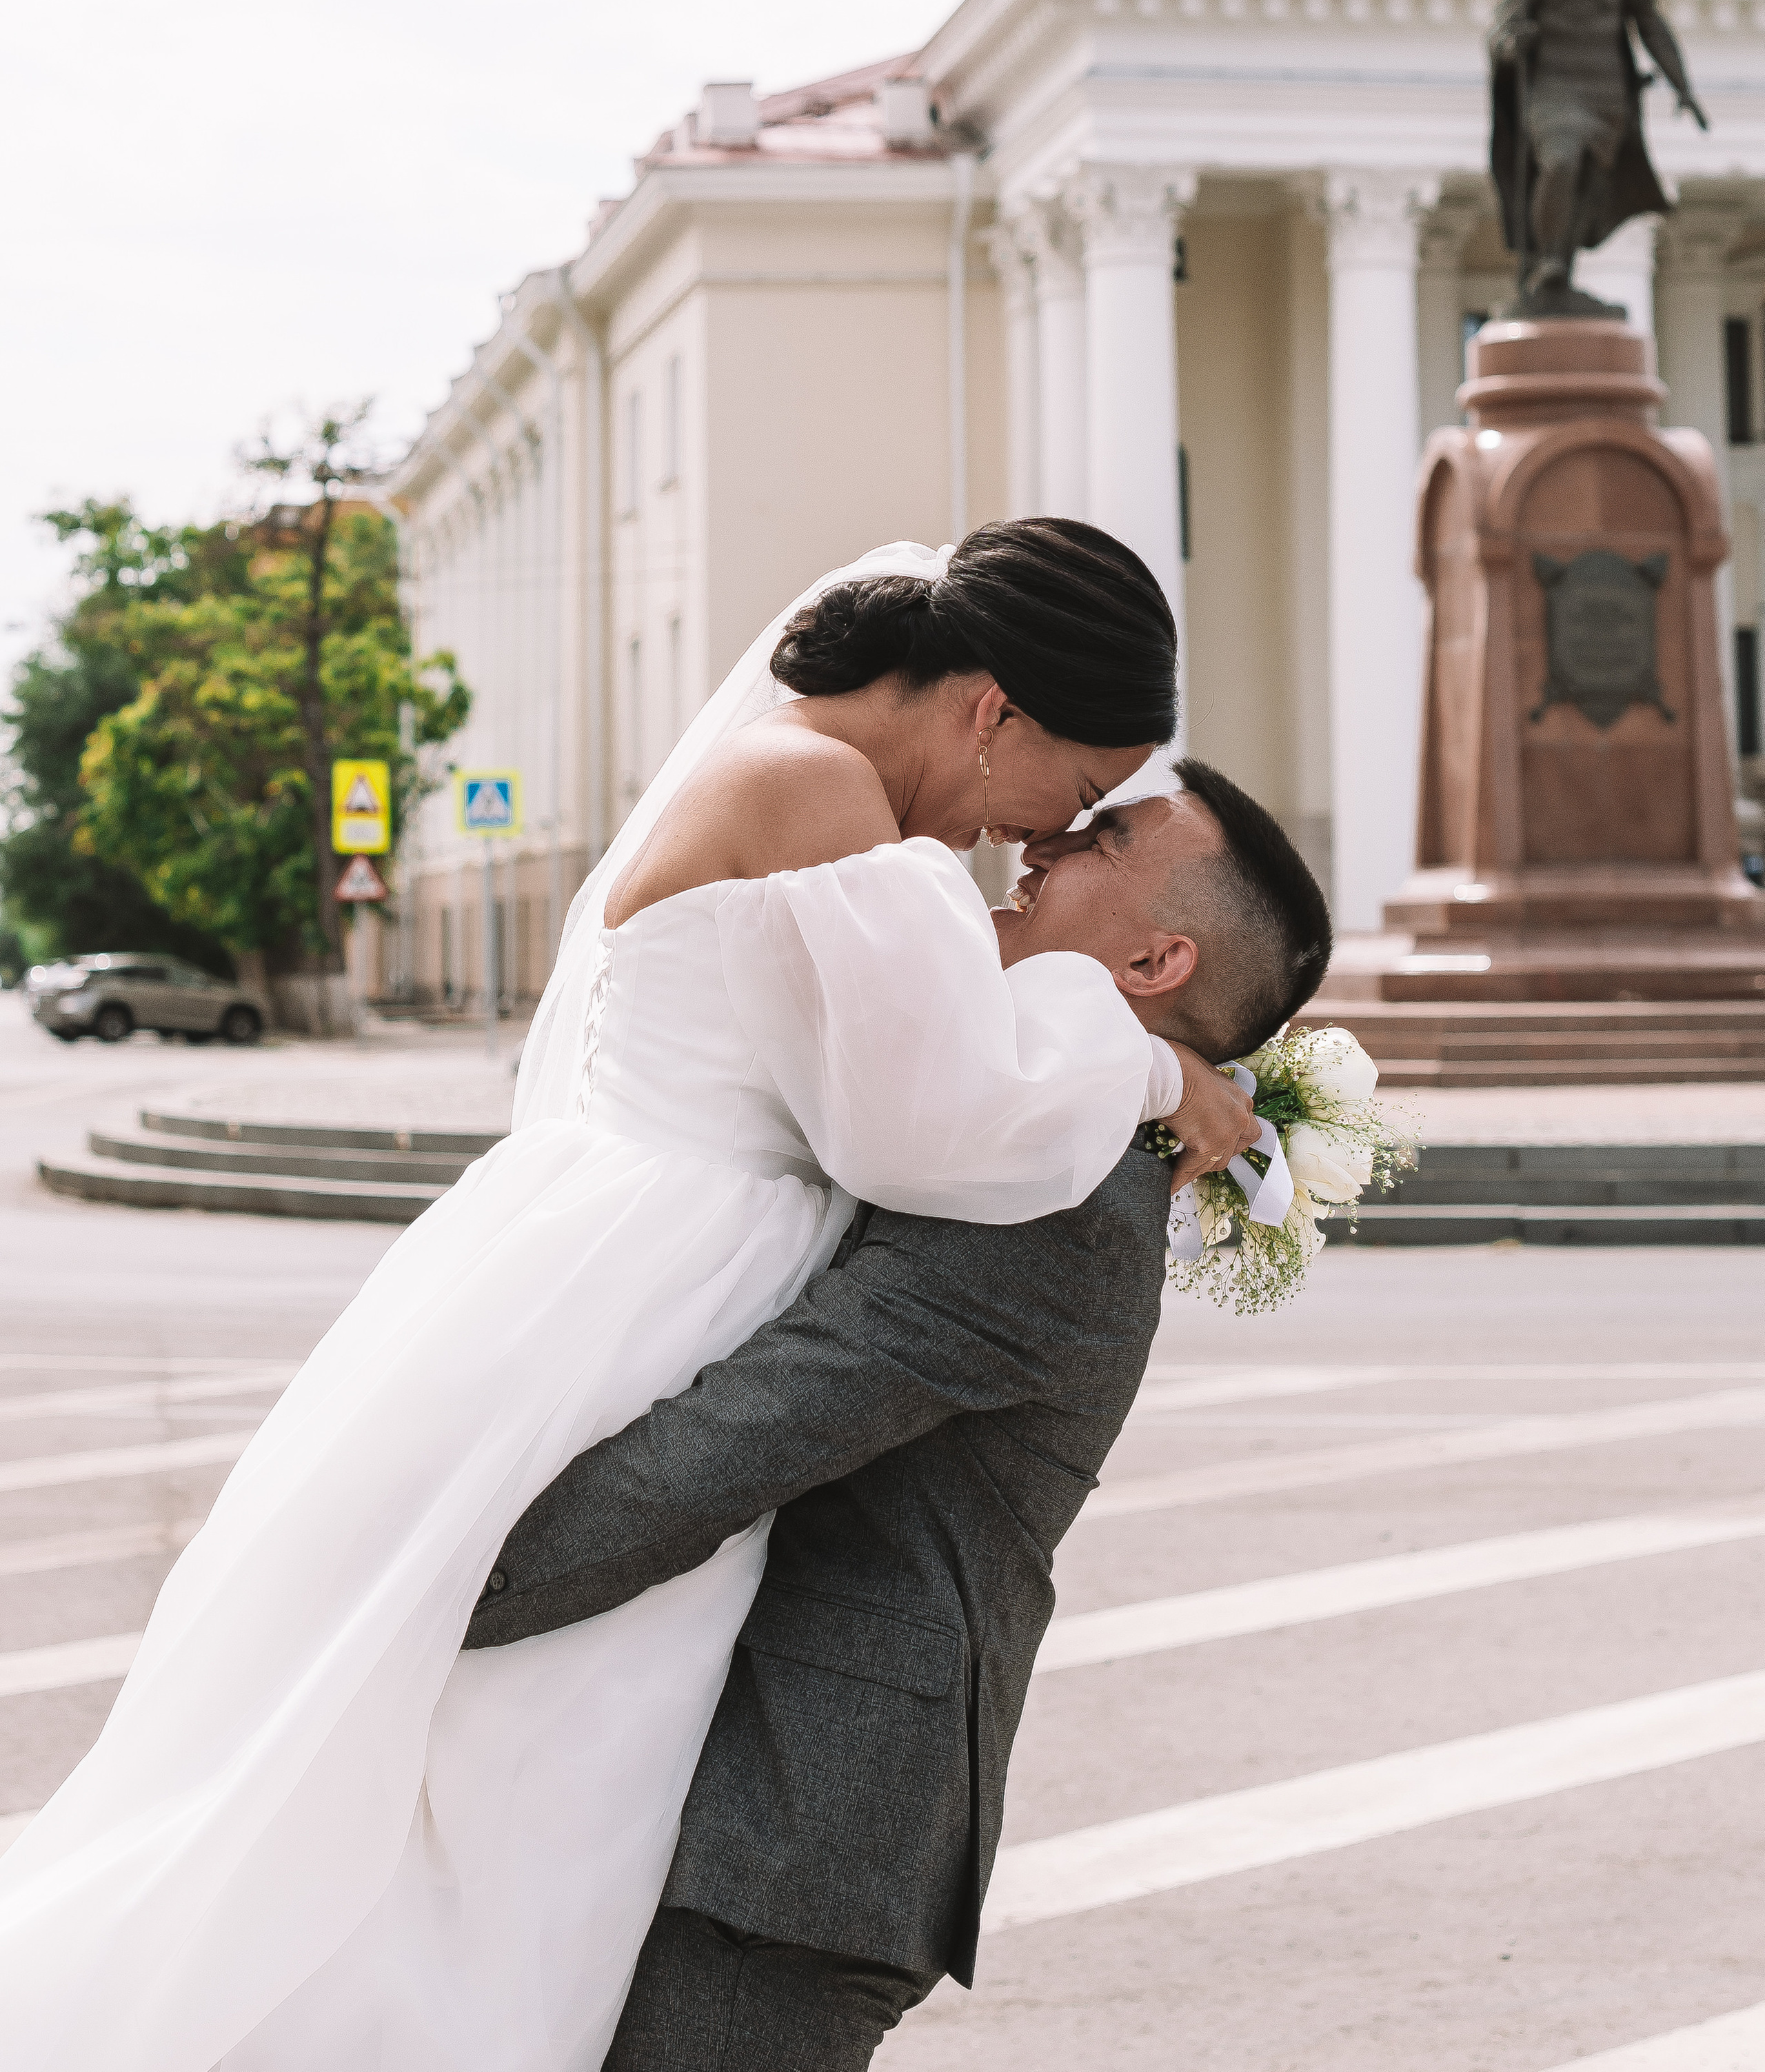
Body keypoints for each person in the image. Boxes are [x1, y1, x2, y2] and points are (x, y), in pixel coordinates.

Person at [0, 522, 1260, 2072]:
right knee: (485, 1781)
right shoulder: (825, 798)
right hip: (645, 1293)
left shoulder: (831, 793)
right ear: (990, 709)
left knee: (496, 1796)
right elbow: (919, 1132)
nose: (1029, 841)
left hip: (633, 1264)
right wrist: (1145, 1056)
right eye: (1067, 792)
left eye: (1078, 822)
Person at [464, 767, 1332, 2070]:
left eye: (1104, 836)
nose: (1047, 839)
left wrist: (430, 1601)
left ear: (1157, 955)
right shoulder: (1031, 1113)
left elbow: (727, 1446)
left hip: (796, 1824)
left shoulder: (1062, 1203)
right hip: (752, 1787)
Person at [1489, 0, 1708, 305]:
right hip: (1555, 88)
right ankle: (1547, 261)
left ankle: (1559, 276)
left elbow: (1650, 23)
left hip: (1606, 92)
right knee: (1561, 162)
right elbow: (1502, 34)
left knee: (1588, 187)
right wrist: (1514, 45)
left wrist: (1682, 85)